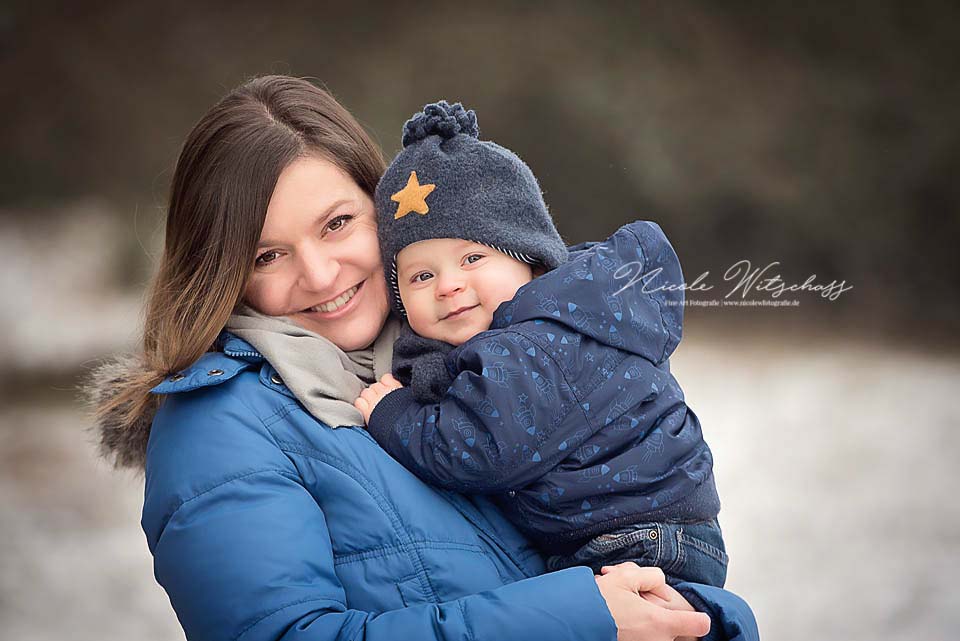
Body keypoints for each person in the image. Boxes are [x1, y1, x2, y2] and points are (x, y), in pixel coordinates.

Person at [88, 75, 757, 641]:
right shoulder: (219, 428)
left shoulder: (464, 354)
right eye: (268, 254)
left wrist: (697, 613)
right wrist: (583, 615)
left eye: (337, 223)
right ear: (222, 271)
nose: (320, 274)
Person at [354, 101, 726, 588]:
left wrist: (396, 415)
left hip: (635, 539)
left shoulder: (534, 343)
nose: (448, 285)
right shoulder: (562, 318)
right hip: (656, 529)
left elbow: (482, 450)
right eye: (422, 275)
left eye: (472, 258)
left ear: (530, 257)